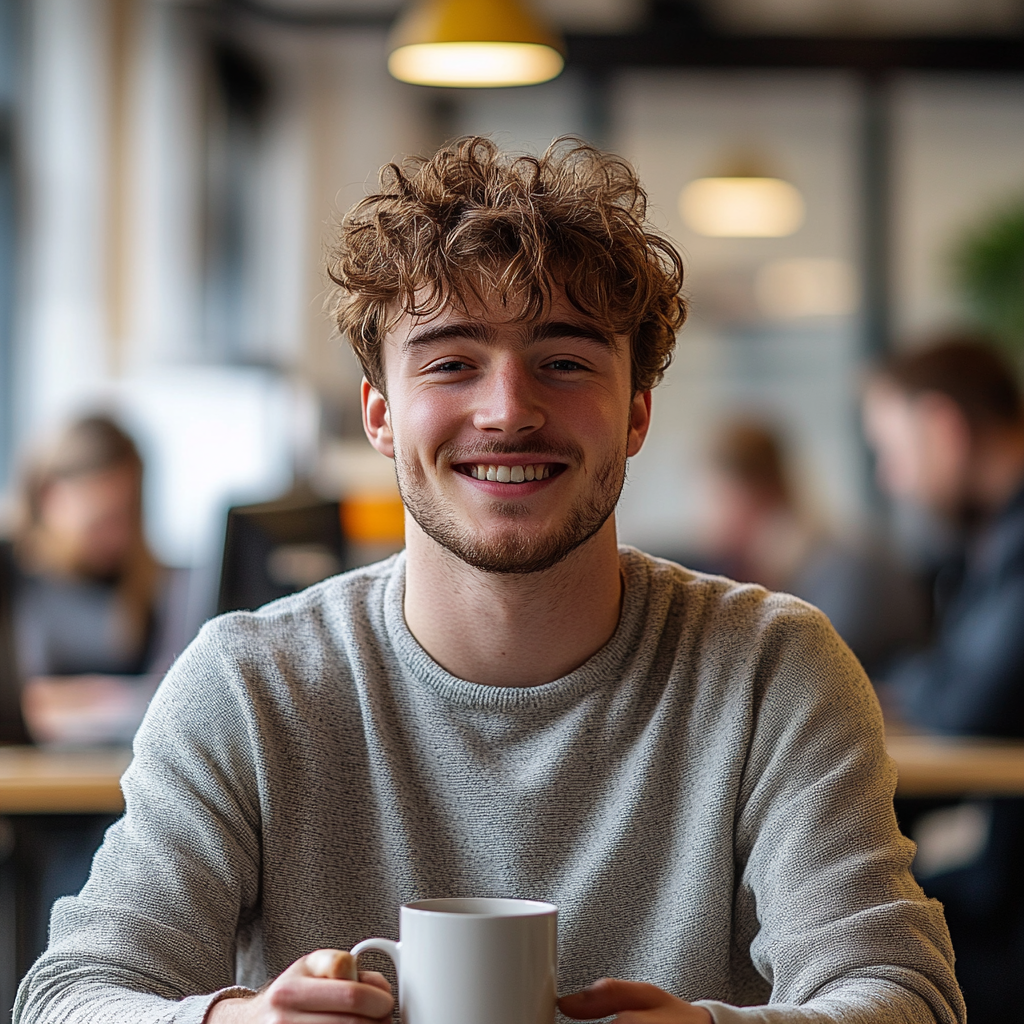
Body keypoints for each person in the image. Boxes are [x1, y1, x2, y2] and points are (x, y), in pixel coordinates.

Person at [15, 138, 962, 1024]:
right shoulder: (247, 684)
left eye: (563, 361)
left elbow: (903, 991)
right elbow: (73, 992)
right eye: (453, 362)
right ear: (381, 416)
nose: (508, 412)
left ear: (635, 412)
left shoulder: (769, 669)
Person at [1, 414, 206, 970]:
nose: (114, 535)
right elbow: (26, 699)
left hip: (115, 783)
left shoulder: (152, 582)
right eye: (100, 519)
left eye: (126, 517)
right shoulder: (15, 576)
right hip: (37, 797)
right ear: (49, 497)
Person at [863, 335, 1024, 1021]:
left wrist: (902, 689)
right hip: (1005, 880)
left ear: (943, 428)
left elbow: (969, 699)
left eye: (893, 451)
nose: (893, 479)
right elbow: (951, 672)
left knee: (859, 933)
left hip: (1012, 919)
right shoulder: (988, 543)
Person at [696, 418, 927, 676]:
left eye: (712, 497)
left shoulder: (846, 569)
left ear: (743, 493)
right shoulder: (784, 562)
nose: (703, 517)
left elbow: (817, 674)